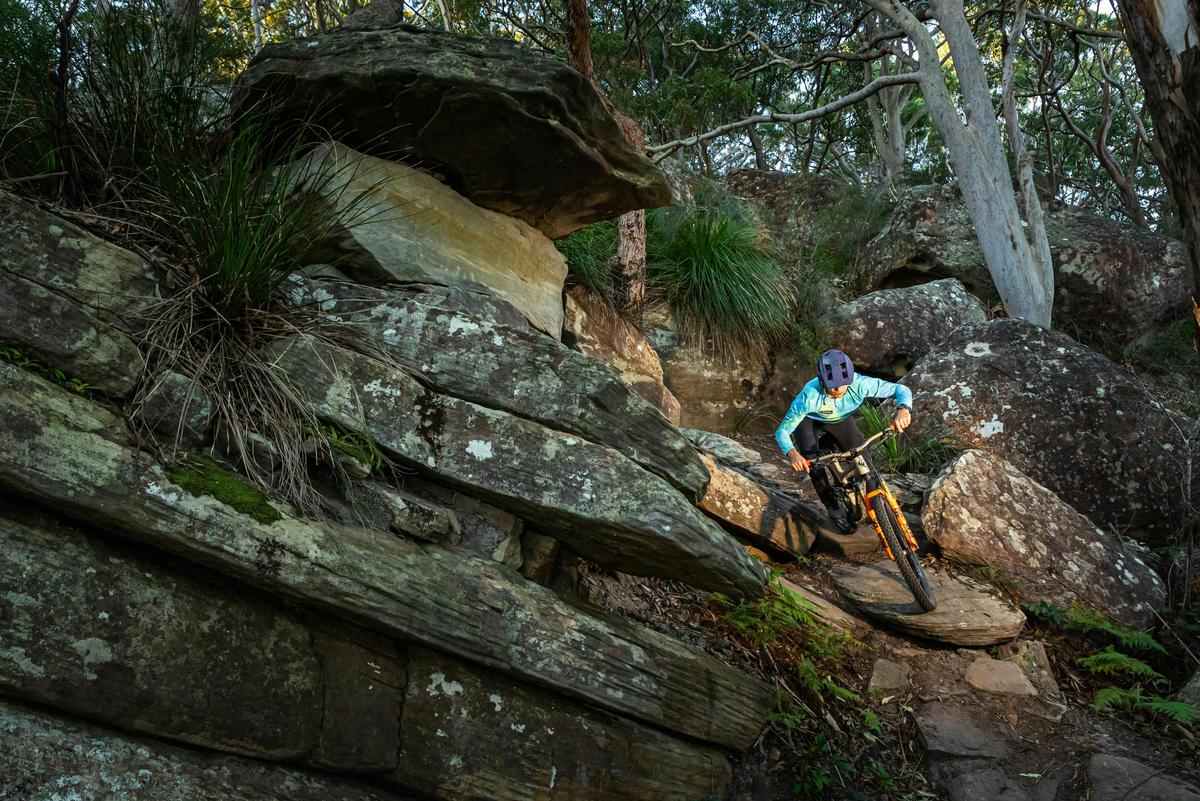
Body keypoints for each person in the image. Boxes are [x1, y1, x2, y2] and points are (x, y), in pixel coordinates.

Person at [774, 348, 913, 532]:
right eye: (832, 386)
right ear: (822, 381)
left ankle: (875, 501)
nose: (838, 389)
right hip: (808, 420)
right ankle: (833, 507)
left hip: (840, 419)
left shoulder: (860, 383)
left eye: (843, 384)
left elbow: (900, 388)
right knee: (812, 463)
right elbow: (782, 431)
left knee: (862, 454)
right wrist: (792, 454)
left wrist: (903, 409)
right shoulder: (809, 396)